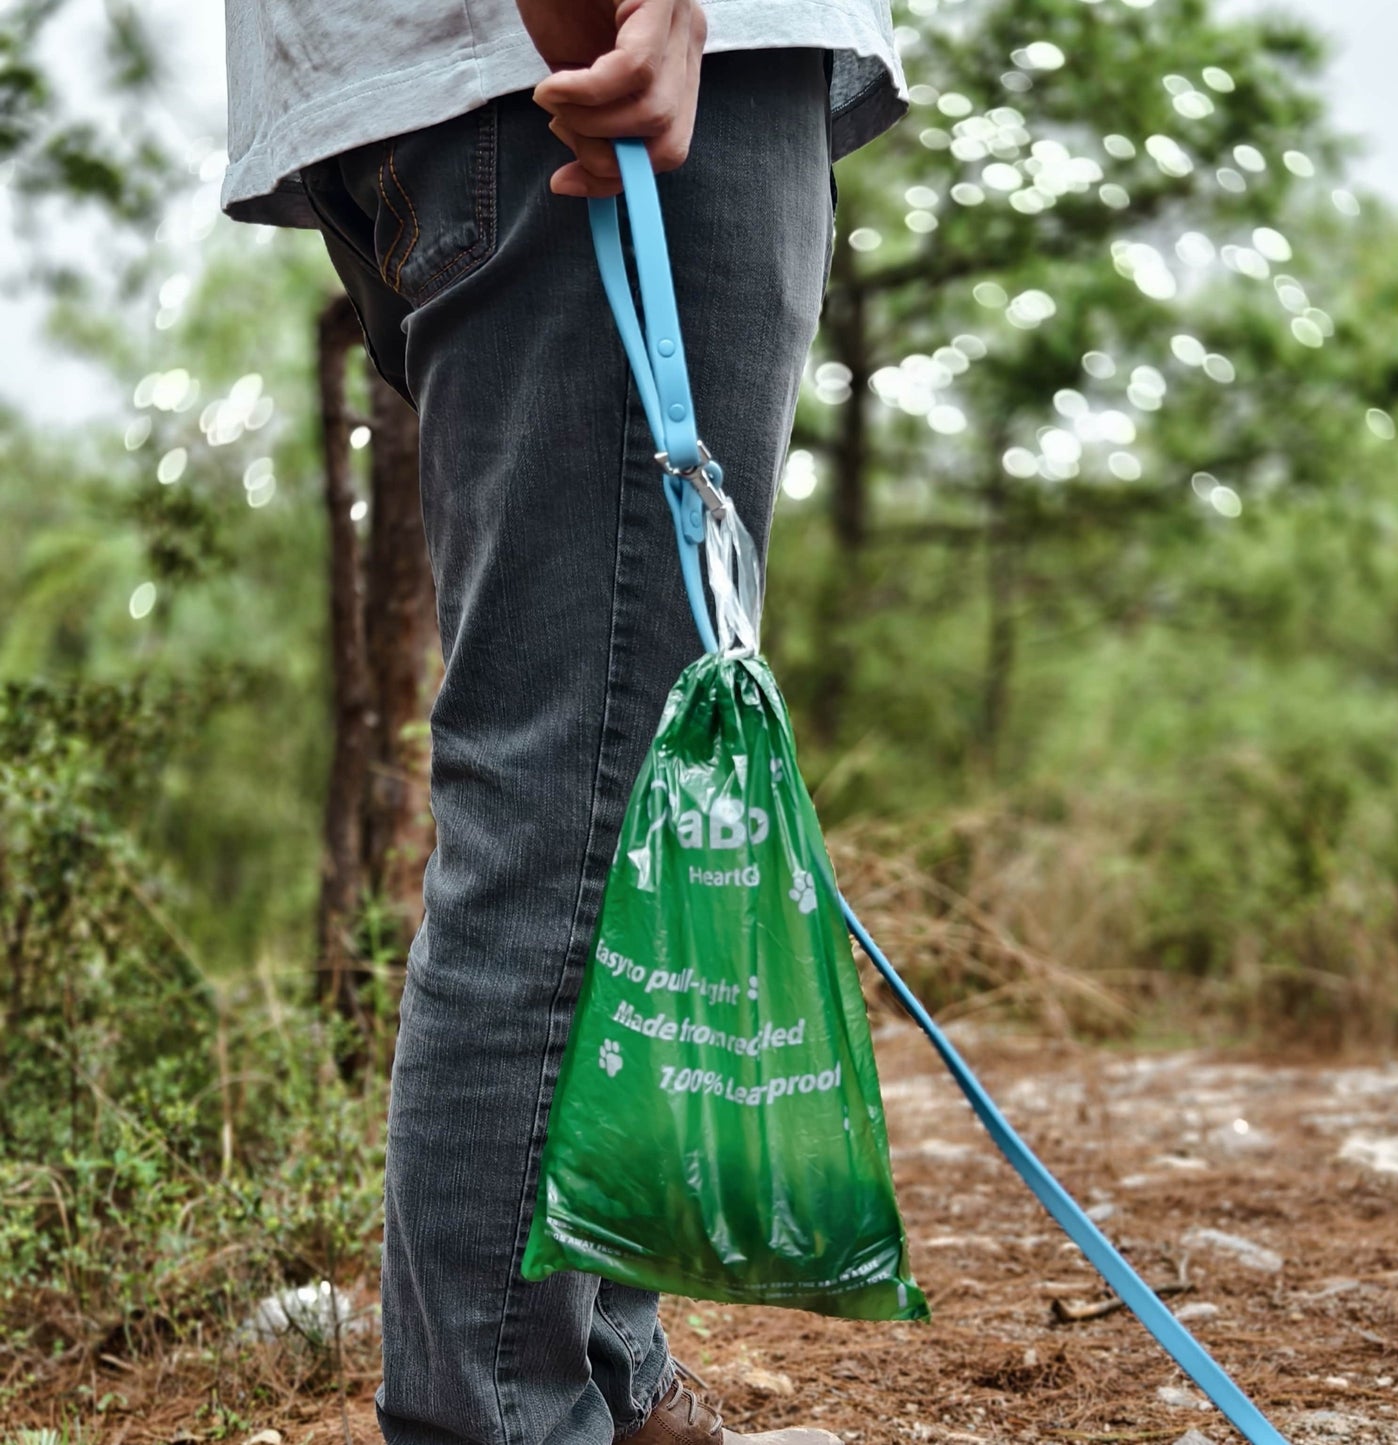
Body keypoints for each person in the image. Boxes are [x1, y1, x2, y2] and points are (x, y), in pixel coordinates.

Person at [221, 2, 906, 1441]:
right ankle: (512, 1416)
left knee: (611, 773)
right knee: (578, 797)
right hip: (575, 75)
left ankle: (601, 1364)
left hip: (485, 93)